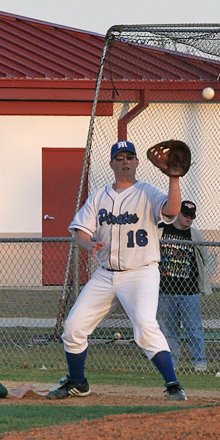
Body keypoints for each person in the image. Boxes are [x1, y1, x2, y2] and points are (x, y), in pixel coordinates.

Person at [47, 140, 187, 401]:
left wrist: (174, 178)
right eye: (119, 157)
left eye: (129, 157)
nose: (125, 161)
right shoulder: (99, 196)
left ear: (136, 162)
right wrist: (89, 243)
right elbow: (80, 232)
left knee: (145, 326)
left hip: (141, 272)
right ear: (112, 164)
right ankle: (78, 382)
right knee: (74, 327)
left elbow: (172, 211)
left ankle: (173, 385)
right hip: (106, 273)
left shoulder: (147, 192)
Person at [157, 200, 213, 372]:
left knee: (194, 330)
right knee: (169, 331)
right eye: (185, 214)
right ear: (177, 213)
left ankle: (200, 364)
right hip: (165, 291)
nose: (188, 218)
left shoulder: (194, 234)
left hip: (189, 291)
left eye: (191, 216)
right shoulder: (160, 230)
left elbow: (206, 258)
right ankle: (172, 364)